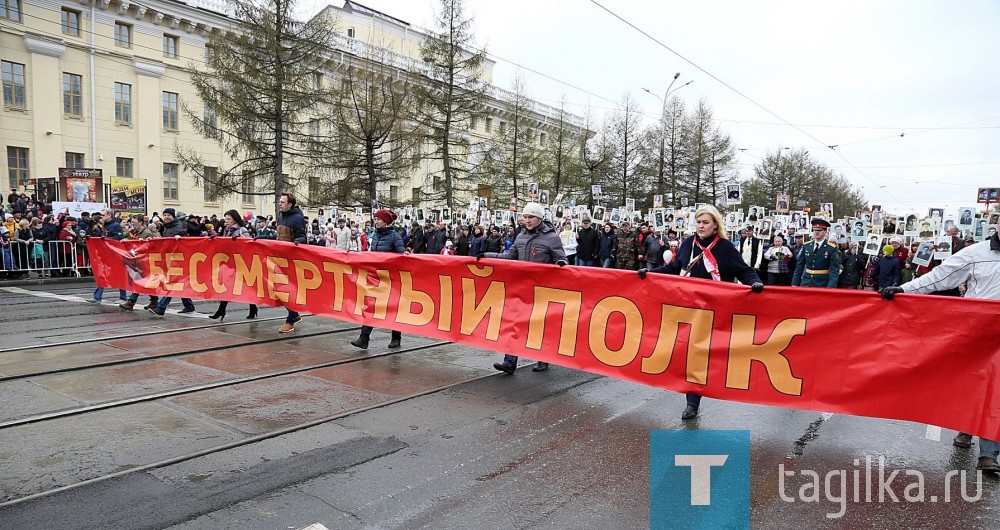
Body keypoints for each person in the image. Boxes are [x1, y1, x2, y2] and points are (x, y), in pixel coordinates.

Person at [881, 225, 1000, 472]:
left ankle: (988, 453)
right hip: (979, 331)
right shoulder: (975, 253)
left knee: (996, 388)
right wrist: (905, 289)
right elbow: (941, 276)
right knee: (976, 385)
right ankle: (968, 428)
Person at [637, 205, 763, 420]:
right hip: (687, 308)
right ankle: (692, 403)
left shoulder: (725, 248)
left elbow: (743, 270)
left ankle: (701, 395)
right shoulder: (688, 244)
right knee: (690, 356)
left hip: (713, 309)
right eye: (699, 222)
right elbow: (674, 268)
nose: (701, 226)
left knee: (703, 355)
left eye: (706, 222)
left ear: (715, 225)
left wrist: (755, 282)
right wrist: (649, 273)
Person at [480, 202, 567, 374]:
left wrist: (560, 264)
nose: (527, 220)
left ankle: (543, 358)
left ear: (540, 218)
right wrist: (487, 257)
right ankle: (510, 362)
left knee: (539, 325)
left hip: (542, 289)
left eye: (531, 217)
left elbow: (562, 260)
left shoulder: (552, 237)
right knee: (515, 323)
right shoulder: (521, 237)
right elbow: (509, 257)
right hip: (521, 288)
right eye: (525, 217)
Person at [351, 209, 405, 349]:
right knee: (371, 306)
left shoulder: (395, 237)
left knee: (392, 308)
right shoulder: (375, 235)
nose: (376, 222)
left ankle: (396, 338)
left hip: (391, 279)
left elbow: (402, 258)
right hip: (376, 277)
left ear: (386, 222)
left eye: (378, 219)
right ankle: (364, 339)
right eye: (375, 219)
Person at [208, 210, 258, 321]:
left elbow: (249, 243)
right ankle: (222, 310)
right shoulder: (226, 230)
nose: (226, 221)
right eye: (225, 219)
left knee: (244, 286)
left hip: (241, 263)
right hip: (230, 263)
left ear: (235, 219)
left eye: (229, 219)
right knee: (227, 286)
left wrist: (238, 240)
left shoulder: (242, 230)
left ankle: (253, 307)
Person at [149, 208, 197, 315]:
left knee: (172, 283)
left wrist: (181, 238)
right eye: (165, 215)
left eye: (168, 215)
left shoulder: (179, 227)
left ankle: (161, 308)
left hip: (178, 259)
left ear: (173, 216)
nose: (166, 217)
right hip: (170, 258)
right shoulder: (166, 227)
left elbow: (185, 241)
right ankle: (189, 306)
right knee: (178, 283)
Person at [276, 192, 306, 333]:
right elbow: (280, 235)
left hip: (291, 260)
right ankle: (294, 315)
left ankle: (290, 320)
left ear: (290, 204)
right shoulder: (282, 216)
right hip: (280, 257)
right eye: (280, 202)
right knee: (278, 289)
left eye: (282, 202)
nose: (280, 204)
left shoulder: (298, 219)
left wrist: (296, 243)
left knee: (287, 290)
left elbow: (302, 237)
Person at [792, 219, 842, 288]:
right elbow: (799, 267)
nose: (816, 232)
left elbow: (834, 270)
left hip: (822, 283)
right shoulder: (806, 246)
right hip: (806, 282)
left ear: (825, 231)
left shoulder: (831, 248)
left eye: (819, 230)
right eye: (815, 230)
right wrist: (795, 283)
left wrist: (831, 287)